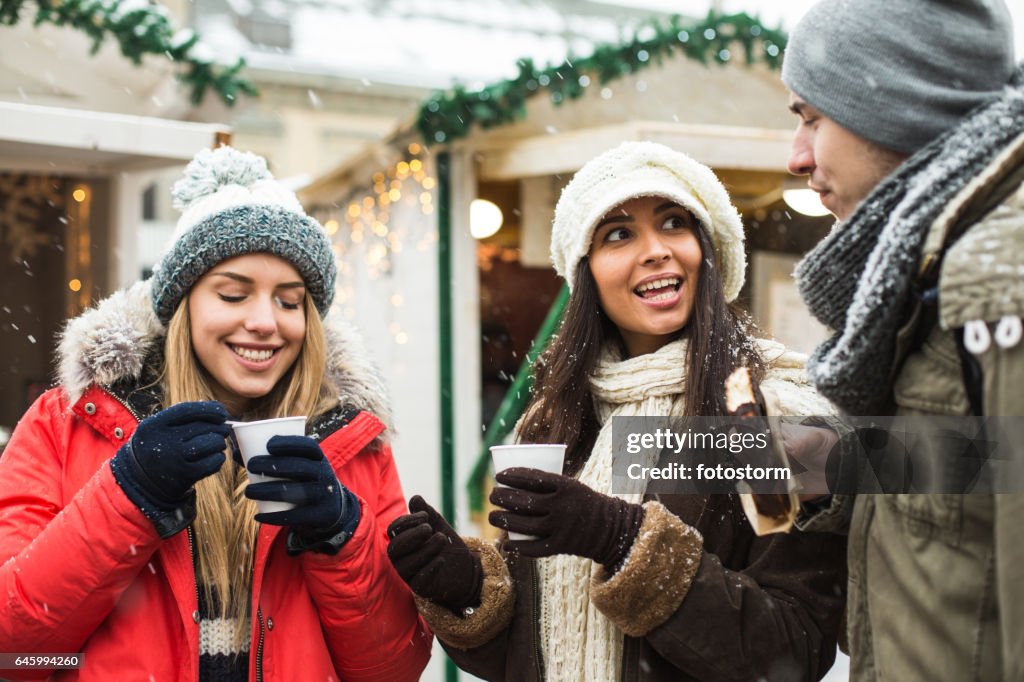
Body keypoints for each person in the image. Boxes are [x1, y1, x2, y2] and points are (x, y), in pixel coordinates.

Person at [387, 141, 847, 681]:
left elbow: (792, 648)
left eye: (675, 223)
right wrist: (467, 589)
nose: (654, 250)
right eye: (619, 234)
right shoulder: (554, 418)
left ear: (710, 250)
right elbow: (527, 654)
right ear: (587, 273)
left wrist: (625, 540)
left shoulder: (768, 413)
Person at [0, 146, 431, 680]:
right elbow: (14, 653)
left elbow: (394, 670)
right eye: (233, 294)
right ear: (183, 304)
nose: (264, 321)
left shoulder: (353, 442)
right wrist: (128, 493)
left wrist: (341, 533)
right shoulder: (68, 423)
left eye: (289, 301)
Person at [780, 0, 1024, 679]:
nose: (796, 155)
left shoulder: (997, 278)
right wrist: (830, 468)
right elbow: (991, 471)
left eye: (811, 117)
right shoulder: (935, 261)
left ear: (891, 105)